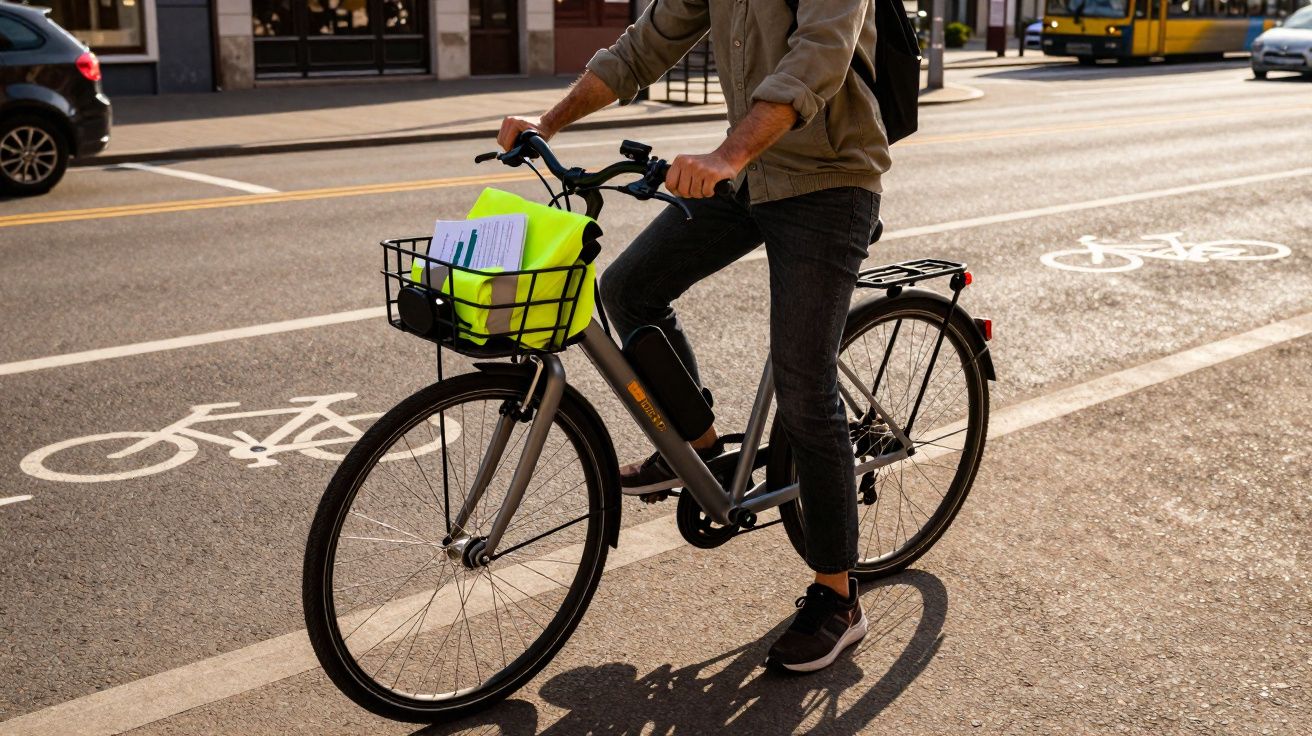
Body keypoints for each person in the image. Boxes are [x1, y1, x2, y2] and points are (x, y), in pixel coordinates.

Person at [498, 0, 888, 673]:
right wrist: (548, 121)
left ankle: (838, 598)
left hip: (829, 182)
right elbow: (643, 46)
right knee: (628, 288)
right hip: (751, 175)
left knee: (803, 383)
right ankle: (699, 451)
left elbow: (818, 56)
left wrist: (727, 152)